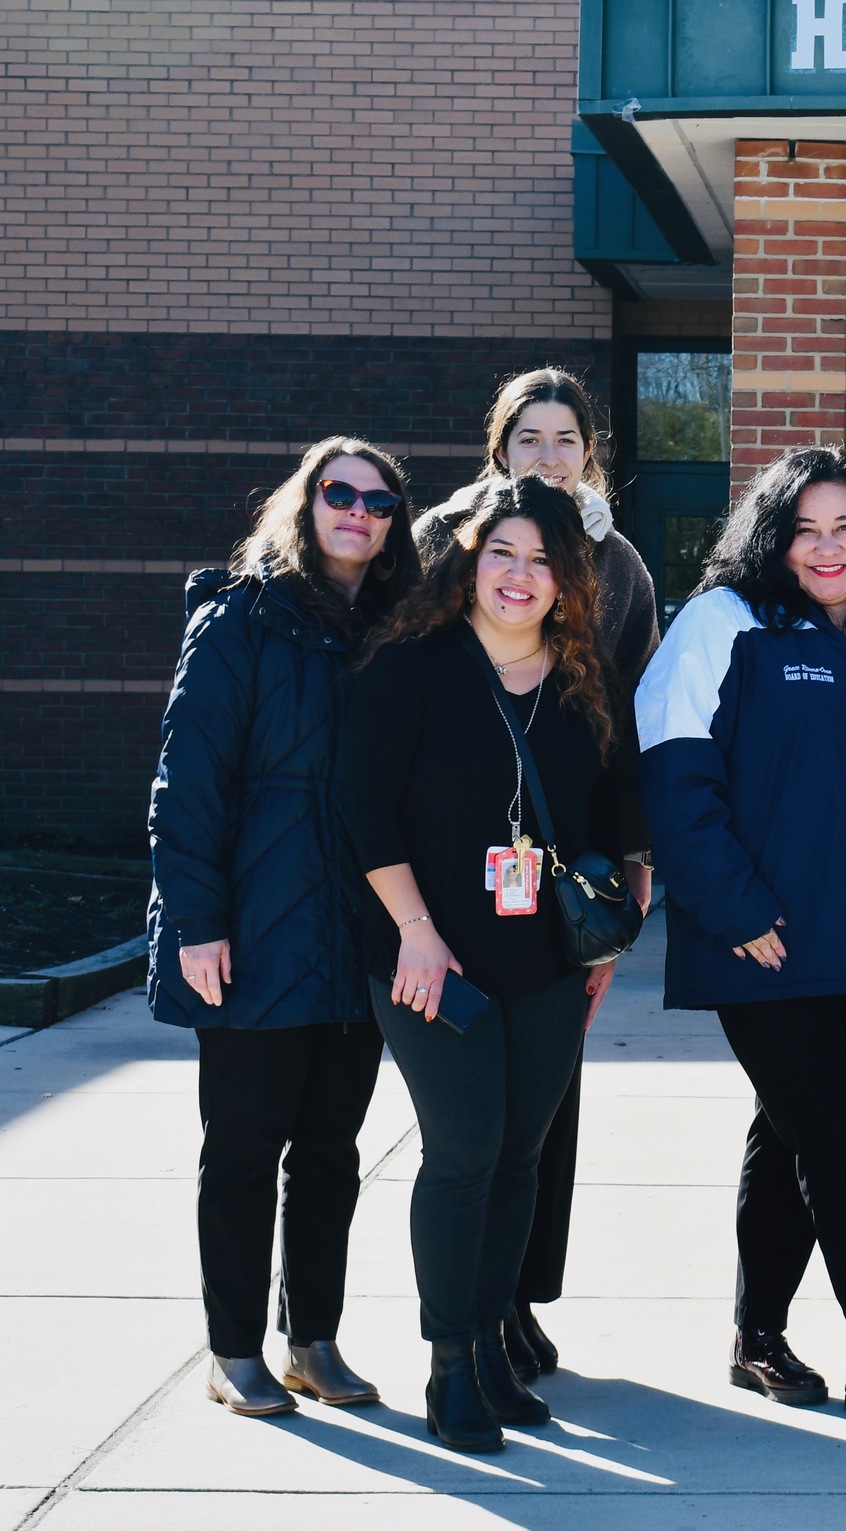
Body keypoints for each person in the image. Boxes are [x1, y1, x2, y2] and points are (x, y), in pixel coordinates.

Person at [635, 447, 846, 1418]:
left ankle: (757, 1334)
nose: (827, 547)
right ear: (772, 535)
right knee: (829, 1129)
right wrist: (732, 907)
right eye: (806, 528)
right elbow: (673, 775)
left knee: (787, 1133)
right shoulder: (723, 623)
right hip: (760, 942)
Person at [341, 477, 627, 1454]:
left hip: (545, 960)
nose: (519, 573)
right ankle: (449, 1361)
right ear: (467, 558)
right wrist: (416, 930)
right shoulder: (410, 666)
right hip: (431, 959)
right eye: (500, 550)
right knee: (463, 1150)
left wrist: (607, 942)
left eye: (540, 558)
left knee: (518, 1157)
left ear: (566, 578)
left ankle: (495, 1344)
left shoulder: (582, 676)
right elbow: (362, 809)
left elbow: (613, 819)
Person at [149, 438, 418, 1417]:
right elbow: (187, 782)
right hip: (255, 932)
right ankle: (233, 1347)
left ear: (393, 522)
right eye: (338, 493)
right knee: (244, 1144)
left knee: (331, 1151)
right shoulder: (239, 619)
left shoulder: (394, 630)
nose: (357, 510)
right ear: (304, 506)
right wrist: (198, 920)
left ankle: (313, 1339)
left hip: (355, 942)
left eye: (378, 500)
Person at [413, 367, 659, 1381]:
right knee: (468, 1123)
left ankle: (515, 1298)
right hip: (447, 869)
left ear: (588, 452)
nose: (549, 455)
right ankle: (463, 1317)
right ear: (499, 446)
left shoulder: (620, 563)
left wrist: (631, 867)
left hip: (558, 870)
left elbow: (629, 726)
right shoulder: (444, 541)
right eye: (530, 437)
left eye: (567, 438)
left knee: (545, 1108)